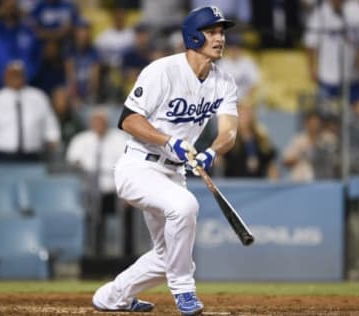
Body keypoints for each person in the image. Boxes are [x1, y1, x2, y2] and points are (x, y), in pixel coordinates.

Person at [92, 6, 238, 315]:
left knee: (169, 255)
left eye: (222, 32)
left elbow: (229, 133)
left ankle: (111, 296)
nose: (220, 38)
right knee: (185, 206)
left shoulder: (224, 81)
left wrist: (212, 151)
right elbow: (129, 120)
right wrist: (170, 141)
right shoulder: (162, 70)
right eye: (212, 32)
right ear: (194, 36)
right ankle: (184, 290)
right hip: (139, 166)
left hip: (173, 173)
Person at [66, 108, 128, 255]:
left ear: (107, 123)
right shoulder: (80, 140)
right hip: (89, 191)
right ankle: (93, 254)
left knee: (128, 216)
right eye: (96, 121)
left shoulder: (120, 139)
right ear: (91, 123)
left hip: (114, 191)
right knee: (92, 221)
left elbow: (128, 163)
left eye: (102, 121)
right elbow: (72, 161)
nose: (99, 124)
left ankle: (125, 255)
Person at [0, 61, 60, 161]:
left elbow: (49, 121)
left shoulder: (38, 97)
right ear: (5, 77)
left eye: (18, 75)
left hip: (33, 154)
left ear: (25, 76)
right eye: (12, 75)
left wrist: (52, 137)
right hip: (2, 154)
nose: (16, 78)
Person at [223, 103, 278, 179]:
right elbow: (218, 161)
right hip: (233, 184)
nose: (244, 118)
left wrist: (274, 185)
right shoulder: (227, 137)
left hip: (257, 184)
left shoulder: (262, 138)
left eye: (247, 114)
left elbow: (270, 164)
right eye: (241, 114)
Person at [0, 0, 40, 90]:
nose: (10, 11)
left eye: (13, 7)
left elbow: (36, 58)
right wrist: (3, 78)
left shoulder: (29, 31)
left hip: (27, 87)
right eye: (7, 7)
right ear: (1, 8)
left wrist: (24, 78)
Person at [283, 111, 338, 182]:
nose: (314, 126)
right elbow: (287, 162)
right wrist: (302, 154)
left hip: (323, 182)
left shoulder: (329, 139)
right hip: (300, 182)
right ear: (306, 124)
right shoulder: (298, 140)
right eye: (311, 123)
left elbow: (336, 160)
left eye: (316, 123)